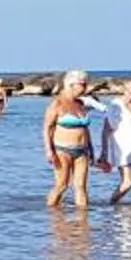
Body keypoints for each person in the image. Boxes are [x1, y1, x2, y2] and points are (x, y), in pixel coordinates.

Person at [42, 71, 102, 209]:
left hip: (82, 151)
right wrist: (49, 150)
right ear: (71, 85)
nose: (86, 88)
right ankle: (51, 214)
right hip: (62, 150)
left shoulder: (80, 103)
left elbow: (85, 129)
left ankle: (83, 222)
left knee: (81, 187)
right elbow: (47, 128)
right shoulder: (57, 104)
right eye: (83, 84)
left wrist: (92, 151)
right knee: (62, 185)